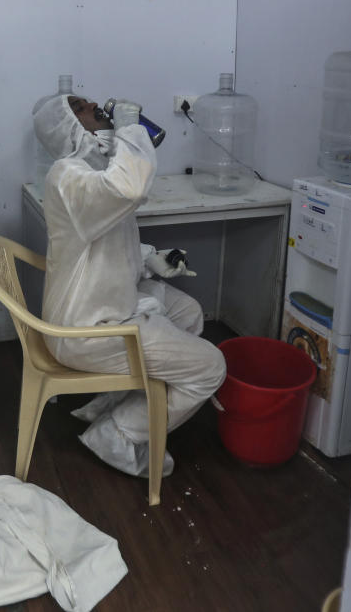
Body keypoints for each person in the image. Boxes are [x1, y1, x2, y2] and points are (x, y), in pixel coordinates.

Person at [33, 93, 226, 477]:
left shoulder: (93, 172)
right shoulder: (67, 176)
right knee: (211, 368)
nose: (94, 106)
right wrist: (129, 126)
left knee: (186, 312)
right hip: (85, 330)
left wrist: (151, 257)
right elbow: (130, 189)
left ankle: (125, 399)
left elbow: (108, 242)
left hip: (94, 305)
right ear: (69, 126)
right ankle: (119, 432)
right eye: (82, 107)